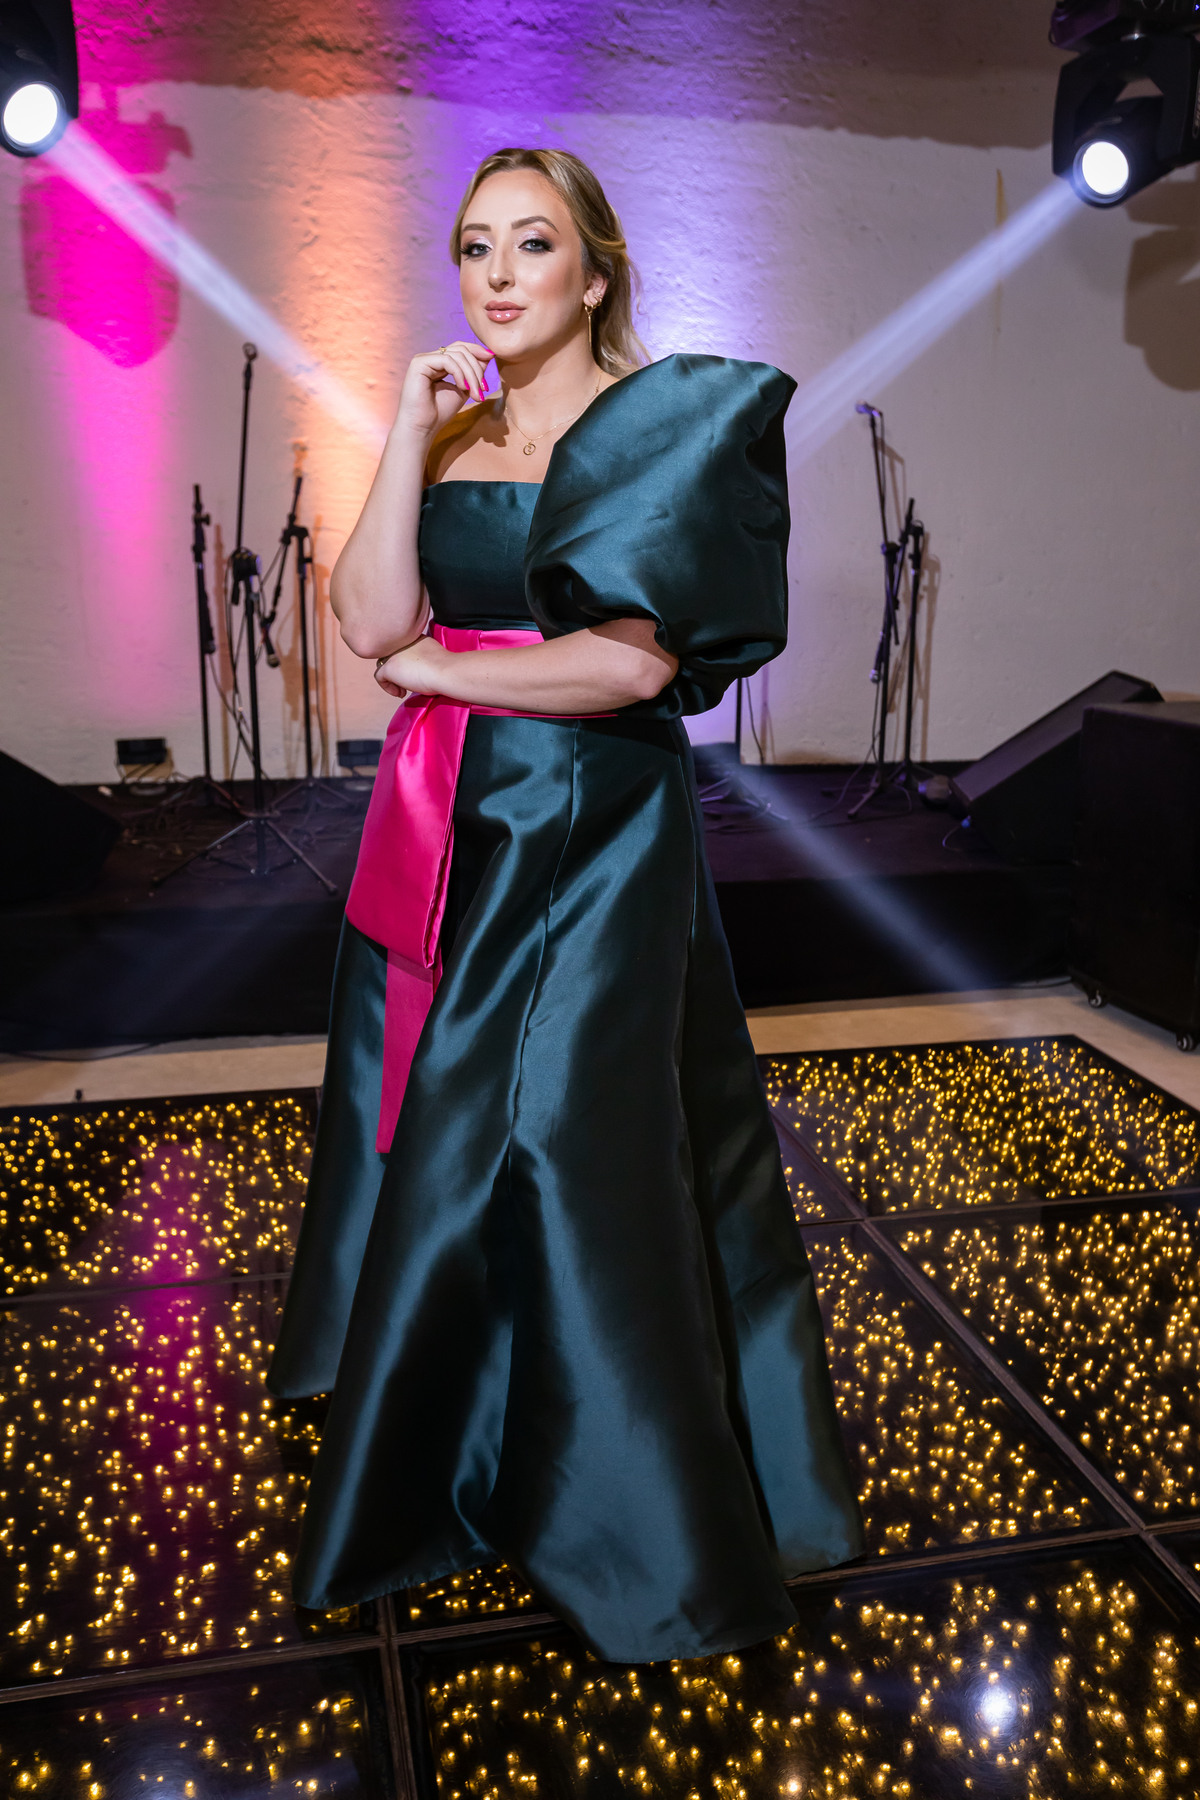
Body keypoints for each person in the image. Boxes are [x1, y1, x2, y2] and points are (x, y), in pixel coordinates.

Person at [267, 146, 863, 1664]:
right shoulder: (457, 427)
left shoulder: (654, 426)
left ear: (595, 272)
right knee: (452, 1122)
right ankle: (469, 1440)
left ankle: (620, 1504)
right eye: (475, 245)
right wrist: (408, 425)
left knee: (563, 1136)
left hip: (592, 823)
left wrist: (443, 671)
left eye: (532, 244)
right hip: (451, 816)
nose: (497, 274)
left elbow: (631, 666)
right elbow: (368, 616)